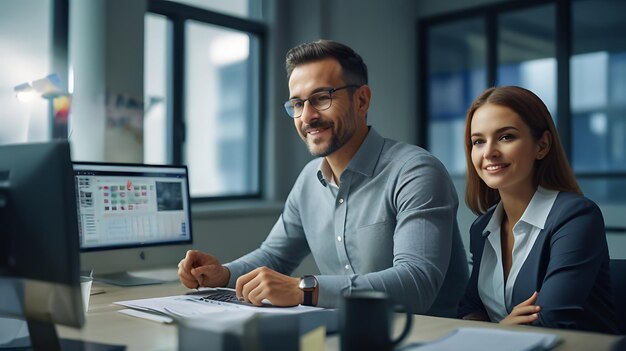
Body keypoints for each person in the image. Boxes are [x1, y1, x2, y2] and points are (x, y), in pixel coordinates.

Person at [178, 39, 468, 316]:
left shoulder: (415, 172)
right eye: (297, 104)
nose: (307, 116)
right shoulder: (308, 180)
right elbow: (274, 255)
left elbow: (417, 283)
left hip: (427, 337)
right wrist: (223, 274)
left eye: (321, 98)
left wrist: (304, 289)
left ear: (362, 100)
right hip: (348, 333)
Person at [458, 86, 618, 333]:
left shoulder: (576, 217)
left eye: (506, 137)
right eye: (478, 141)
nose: (488, 152)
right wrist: (503, 326)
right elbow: (469, 310)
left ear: (542, 145)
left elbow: (550, 322)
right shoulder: (482, 228)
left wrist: (494, 329)